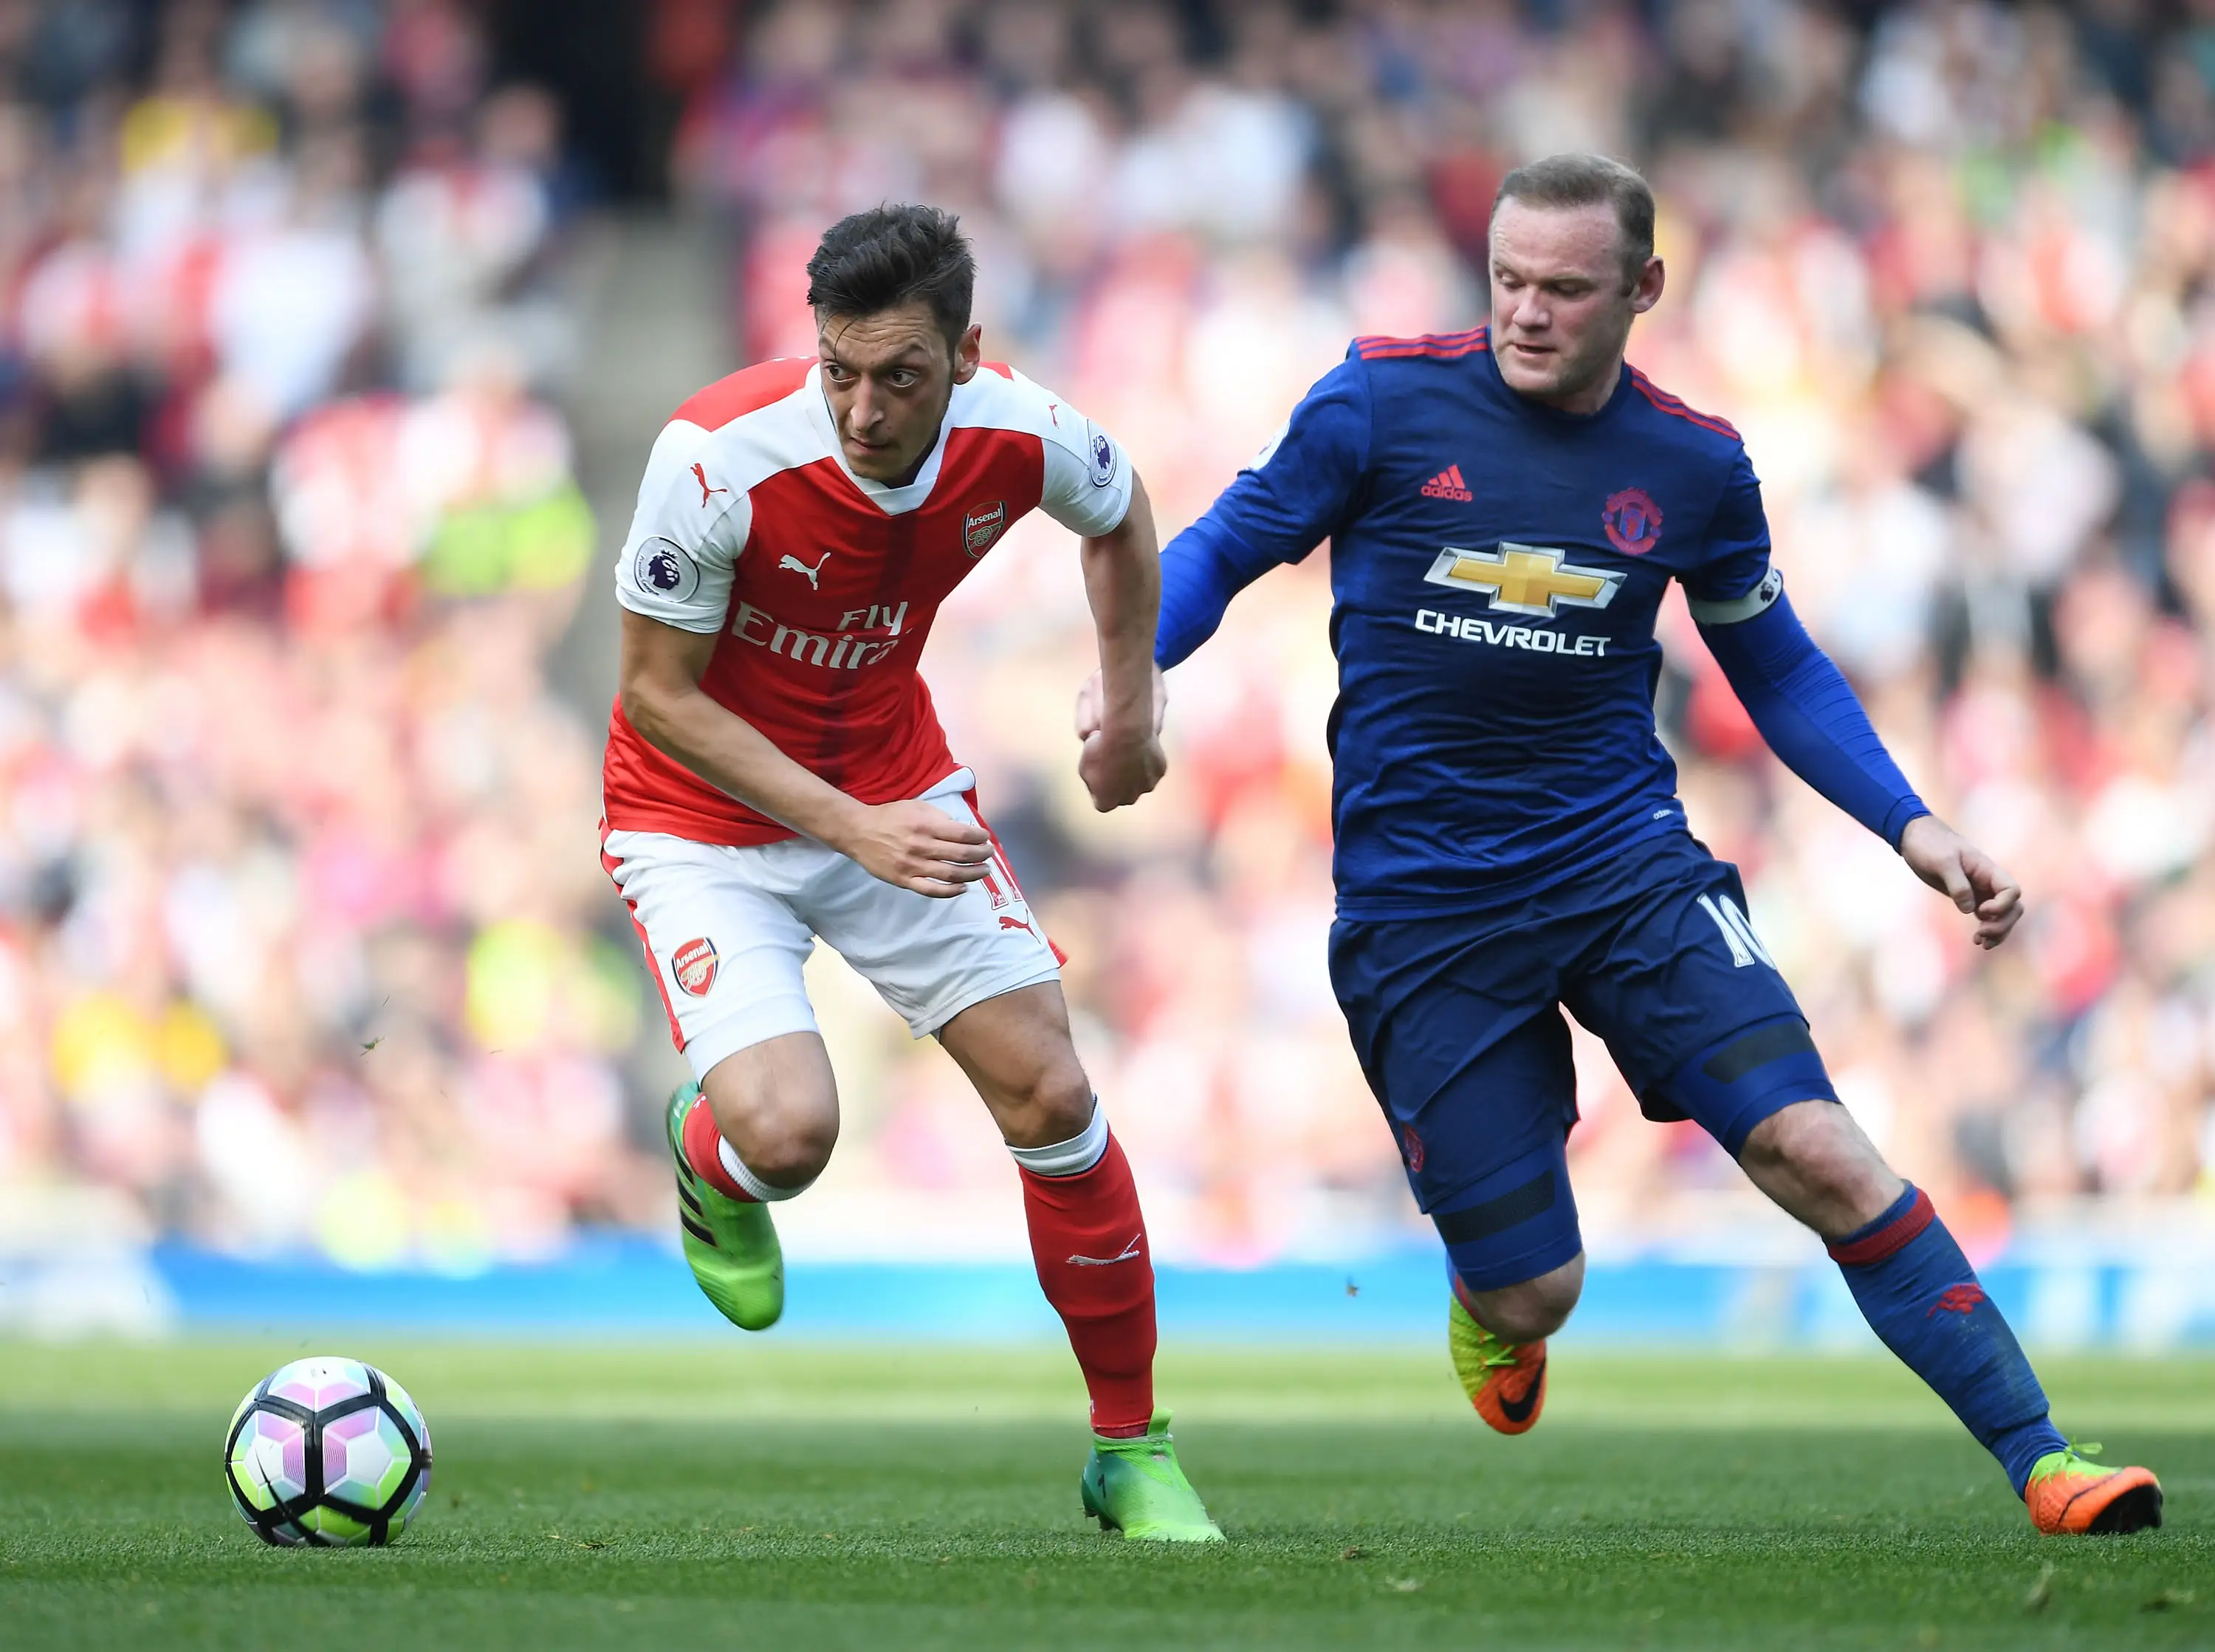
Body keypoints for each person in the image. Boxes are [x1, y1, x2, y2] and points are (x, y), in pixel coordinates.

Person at [1136, 154, 2160, 1536]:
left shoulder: (1693, 463)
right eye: (1508, 280)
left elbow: (1779, 668)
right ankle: (1496, 1304)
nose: (1528, 314)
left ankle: (2045, 1459)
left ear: (1643, 290)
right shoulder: (1377, 401)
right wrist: (1125, 676)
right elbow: (1222, 544)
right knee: (1533, 1288)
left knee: (1822, 1151)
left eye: (1566, 288)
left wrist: (1912, 824)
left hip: (1628, 873)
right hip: (1426, 910)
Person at [601, 204, 1220, 1542]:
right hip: (699, 818)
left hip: (887, 787)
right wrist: (849, 826)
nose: (865, 409)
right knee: (790, 1135)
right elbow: (656, 694)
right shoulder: (714, 458)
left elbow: (1120, 515)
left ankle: (1133, 1450)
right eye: (839, 369)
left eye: (901, 376)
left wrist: (1128, 709)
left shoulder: (1025, 430)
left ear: (968, 354)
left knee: (1052, 1087)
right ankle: (713, 1158)